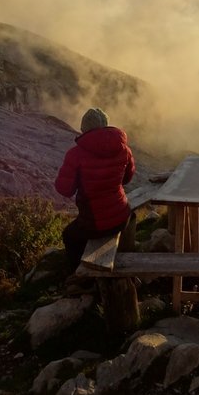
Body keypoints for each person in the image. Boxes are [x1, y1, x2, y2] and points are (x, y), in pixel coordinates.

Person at [55, 107, 135, 274]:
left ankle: (79, 278)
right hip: (122, 216)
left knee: (69, 235)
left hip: (95, 224)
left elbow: (65, 190)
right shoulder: (124, 149)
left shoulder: (75, 154)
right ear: (106, 125)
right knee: (83, 230)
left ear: (84, 129)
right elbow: (127, 179)